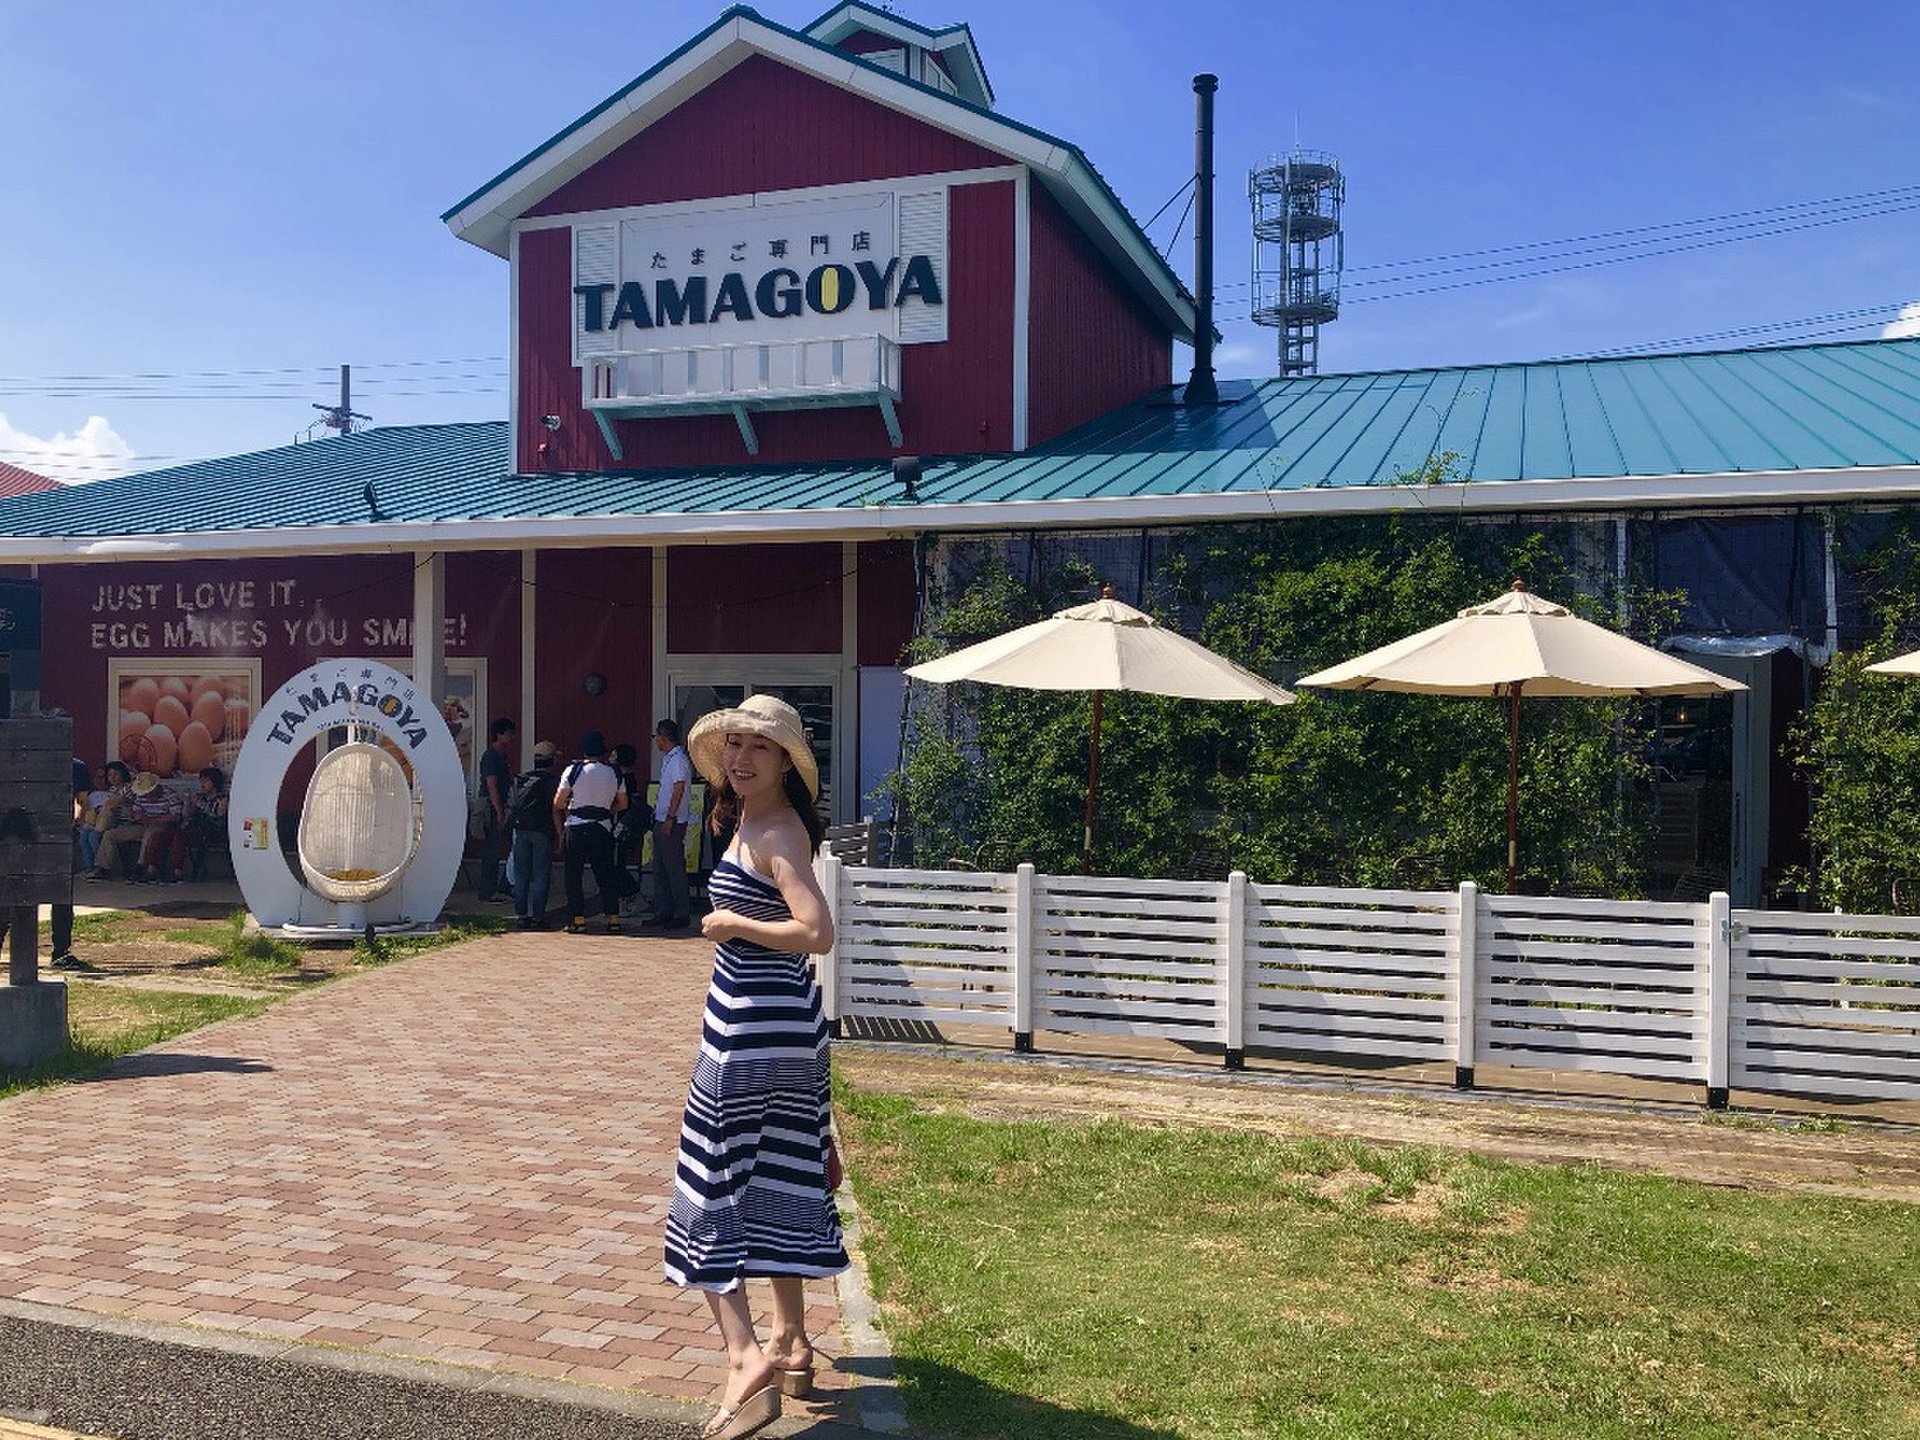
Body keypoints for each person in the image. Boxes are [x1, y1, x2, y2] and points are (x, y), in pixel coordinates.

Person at [664, 696, 845, 1440]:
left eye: (757, 750)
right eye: (733, 746)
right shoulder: (754, 820)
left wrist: (733, 923)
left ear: (784, 763)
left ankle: (745, 1355)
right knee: (776, 1174)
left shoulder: (773, 830)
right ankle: (792, 1340)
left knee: (703, 1190)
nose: (740, 759)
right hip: (782, 1032)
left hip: (748, 1037)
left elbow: (817, 931)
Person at [554, 730, 626, 934]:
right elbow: (623, 803)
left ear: (584, 750)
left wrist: (571, 805)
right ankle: (613, 918)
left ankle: (578, 919)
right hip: (602, 827)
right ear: (602, 752)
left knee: (573, 875)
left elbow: (558, 801)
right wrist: (604, 808)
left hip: (576, 826)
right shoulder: (614, 772)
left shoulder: (573, 770)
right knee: (605, 874)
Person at [507, 740, 561, 930]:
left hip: (521, 831)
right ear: (552, 760)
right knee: (540, 876)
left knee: (521, 876)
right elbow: (556, 810)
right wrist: (560, 834)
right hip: (542, 832)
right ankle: (538, 917)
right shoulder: (553, 783)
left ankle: (521, 915)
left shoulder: (521, 779)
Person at [648, 717, 694, 931]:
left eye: (657, 736)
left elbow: (678, 788)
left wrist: (670, 817)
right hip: (661, 818)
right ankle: (662, 910)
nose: (656, 741)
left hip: (672, 821)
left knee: (673, 868)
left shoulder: (678, 761)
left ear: (663, 738)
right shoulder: (669, 759)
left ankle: (681, 912)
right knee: (660, 868)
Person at [476, 717, 517, 902]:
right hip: (491, 807)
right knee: (491, 850)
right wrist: (499, 812)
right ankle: (487, 891)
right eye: (509, 734)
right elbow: (491, 785)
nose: (512, 738)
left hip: (502, 804)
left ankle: (503, 884)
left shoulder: (504, 756)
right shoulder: (491, 756)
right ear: (499, 735)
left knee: (504, 847)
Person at [85, 760, 133, 878]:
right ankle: (89, 866)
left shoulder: (128, 789)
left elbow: (117, 804)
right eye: (110, 775)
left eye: (116, 774)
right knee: (86, 833)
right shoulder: (112, 790)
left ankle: (103, 867)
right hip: (113, 820)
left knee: (96, 835)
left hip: (125, 821)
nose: (113, 778)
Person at [182, 766, 228, 880]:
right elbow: (187, 815)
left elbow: (218, 814)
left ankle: (196, 871)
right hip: (197, 827)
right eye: (201, 780)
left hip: (215, 829)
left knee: (204, 837)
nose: (202, 784)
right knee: (178, 835)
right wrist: (188, 804)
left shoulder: (223, 798)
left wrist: (199, 804)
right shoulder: (200, 796)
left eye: (206, 780)